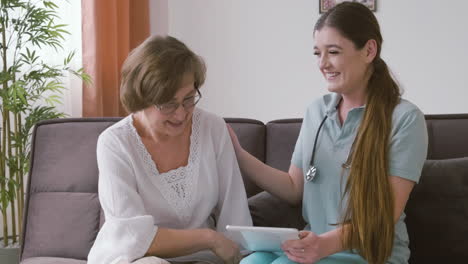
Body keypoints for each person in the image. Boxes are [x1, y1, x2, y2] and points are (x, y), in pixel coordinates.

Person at [230, 2, 428, 264]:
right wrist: (238, 153)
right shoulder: (317, 112)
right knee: (251, 262)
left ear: (369, 50)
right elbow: (293, 187)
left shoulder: (404, 119)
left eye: (333, 52)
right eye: (317, 53)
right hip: (316, 248)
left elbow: (384, 217)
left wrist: (325, 244)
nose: (322, 64)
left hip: (371, 255)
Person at [87, 35, 252, 264]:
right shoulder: (114, 143)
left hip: (204, 258)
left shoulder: (213, 128)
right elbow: (133, 237)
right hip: (136, 258)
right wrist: (208, 237)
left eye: (189, 99)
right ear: (141, 98)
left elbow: (236, 215)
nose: (181, 114)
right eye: (168, 104)